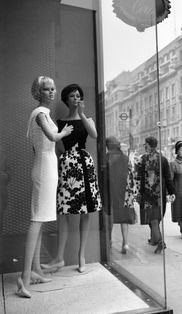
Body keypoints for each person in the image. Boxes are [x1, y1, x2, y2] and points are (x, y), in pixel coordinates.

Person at [17, 76, 73, 298]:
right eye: (46, 89)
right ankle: (24, 277)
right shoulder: (39, 114)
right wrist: (65, 133)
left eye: (52, 89)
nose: (51, 92)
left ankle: (36, 270)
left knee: (40, 220)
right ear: (37, 92)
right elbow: (52, 137)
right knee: (37, 220)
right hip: (44, 168)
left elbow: (43, 144)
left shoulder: (44, 114)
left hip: (47, 168)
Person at [41, 83, 101, 273]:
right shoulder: (59, 123)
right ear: (66, 99)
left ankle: (81, 256)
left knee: (86, 211)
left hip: (85, 164)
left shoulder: (86, 118)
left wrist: (82, 114)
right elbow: (58, 147)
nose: (76, 98)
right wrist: (66, 160)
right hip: (67, 166)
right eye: (73, 96)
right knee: (64, 211)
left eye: (78, 95)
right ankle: (59, 257)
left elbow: (94, 134)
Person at [137, 136, 175, 253]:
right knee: (156, 218)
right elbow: (168, 177)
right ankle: (154, 239)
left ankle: (160, 242)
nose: (144, 146)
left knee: (152, 219)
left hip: (148, 194)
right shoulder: (163, 159)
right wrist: (171, 192)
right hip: (159, 194)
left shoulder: (142, 159)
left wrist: (138, 193)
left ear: (148, 145)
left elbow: (139, 178)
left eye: (145, 144)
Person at [105, 136, 136, 254]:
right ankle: (125, 243)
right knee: (124, 218)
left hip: (111, 190)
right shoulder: (125, 158)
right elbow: (131, 175)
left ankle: (109, 240)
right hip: (124, 191)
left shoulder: (106, 158)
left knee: (110, 216)